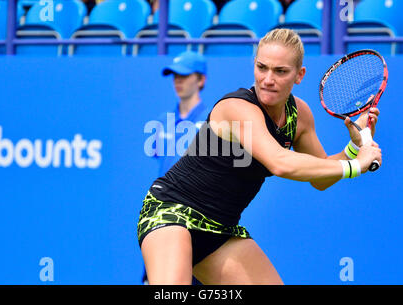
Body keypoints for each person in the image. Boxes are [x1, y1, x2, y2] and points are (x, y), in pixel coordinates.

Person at [137, 28, 382, 284]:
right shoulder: (237, 107)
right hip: (171, 212)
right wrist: (356, 165)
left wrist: (352, 149)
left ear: (300, 75)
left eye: (280, 71)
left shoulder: (300, 116)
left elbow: (320, 178)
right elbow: (280, 163)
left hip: (220, 229)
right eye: (262, 67)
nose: (267, 79)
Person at [141, 51, 210, 283]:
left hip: (199, 220)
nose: (178, 81)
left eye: (184, 75)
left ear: (201, 80)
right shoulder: (161, 121)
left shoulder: (212, 121)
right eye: (174, 76)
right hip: (163, 218)